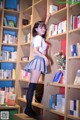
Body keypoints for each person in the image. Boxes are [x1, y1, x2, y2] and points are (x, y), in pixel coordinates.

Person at [24, 13, 51, 118]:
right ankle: (28, 109)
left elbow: (43, 26)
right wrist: (45, 58)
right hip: (38, 61)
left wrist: (47, 18)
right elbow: (35, 50)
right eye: (41, 28)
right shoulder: (38, 38)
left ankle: (28, 108)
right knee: (32, 85)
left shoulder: (38, 37)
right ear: (36, 29)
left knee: (32, 85)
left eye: (44, 28)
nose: (44, 29)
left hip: (38, 61)